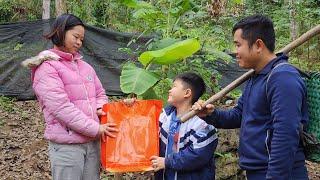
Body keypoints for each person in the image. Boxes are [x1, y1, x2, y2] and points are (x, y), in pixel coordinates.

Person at [193, 14, 309, 180]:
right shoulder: (257, 77)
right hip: (257, 171)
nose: (236, 52)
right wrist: (211, 115)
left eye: (238, 45)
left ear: (258, 45)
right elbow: (239, 115)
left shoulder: (282, 77)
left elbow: (286, 134)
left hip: (279, 173)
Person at [25, 14, 118, 180]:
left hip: (92, 143)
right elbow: (61, 108)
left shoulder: (86, 67)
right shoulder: (47, 68)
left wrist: (99, 108)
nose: (79, 42)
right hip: (67, 146)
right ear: (60, 32)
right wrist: (96, 129)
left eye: (81, 39)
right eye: (76, 36)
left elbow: (100, 93)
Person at [150, 72, 218, 180]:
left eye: (174, 86)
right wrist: (130, 106)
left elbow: (197, 156)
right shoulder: (164, 116)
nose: (170, 90)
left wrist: (167, 162)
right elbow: (143, 129)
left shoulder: (202, 124)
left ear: (187, 93)